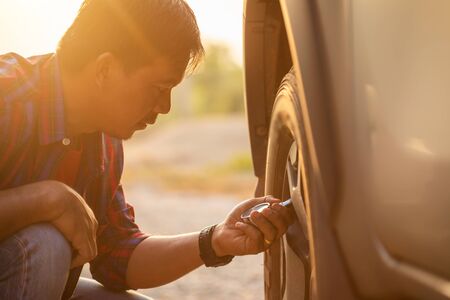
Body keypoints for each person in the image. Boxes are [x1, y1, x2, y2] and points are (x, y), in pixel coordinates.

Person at [0, 0, 295, 299]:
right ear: (105, 70)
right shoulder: (7, 96)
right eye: (158, 88)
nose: (165, 107)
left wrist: (215, 240)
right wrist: (45, 199)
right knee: (45, 246)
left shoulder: (103, 140)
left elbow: (119, 255)